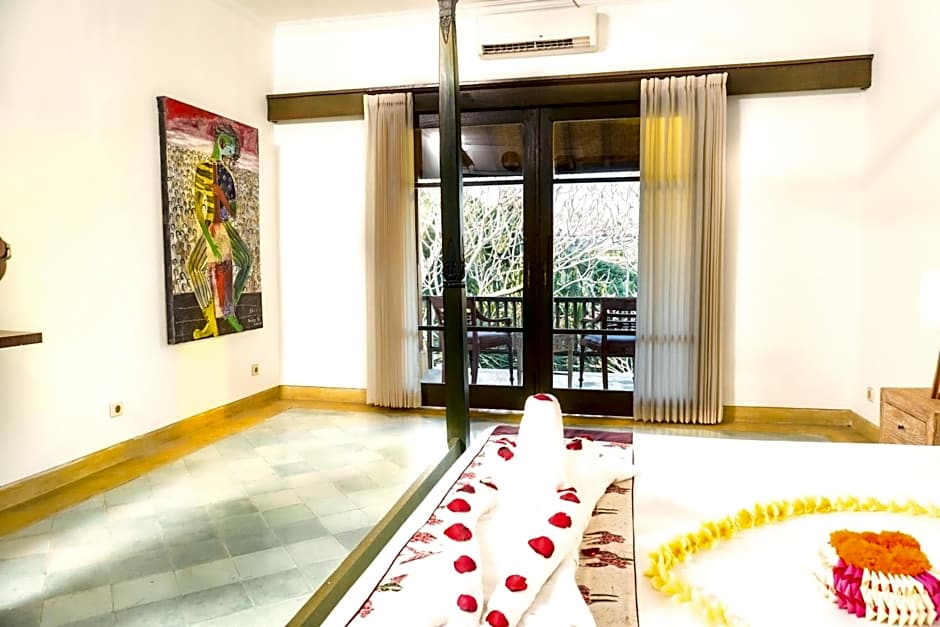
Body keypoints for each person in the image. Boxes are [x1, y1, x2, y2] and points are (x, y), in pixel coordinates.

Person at [186, 123, 253, 339]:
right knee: (194, 267)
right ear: (222, 143)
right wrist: (207, 237)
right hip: (208, 225)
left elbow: (233, 211)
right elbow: (198, 207)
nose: (231, 152)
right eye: (231, 146)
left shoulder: (227, 176)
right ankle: (210, 320)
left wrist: (221, 195)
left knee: (246, 260)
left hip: (224, 225)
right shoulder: (202, 169)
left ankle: (229, 313)